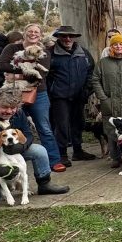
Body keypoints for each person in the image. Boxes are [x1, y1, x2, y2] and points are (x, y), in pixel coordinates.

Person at [0, 87, 69, 209]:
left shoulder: (18, 114)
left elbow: (28, 133)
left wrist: (21, 146)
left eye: (13, 108)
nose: (10, 111)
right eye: (5, 107)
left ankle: (44, 183)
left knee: (39, 150)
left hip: (8, 154)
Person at [0, 24, 61, 169]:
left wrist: (16, 75)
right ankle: (14, 159)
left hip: (38, 93)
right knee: (13, 126)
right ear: (24, 33)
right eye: (30, 31)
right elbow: (0, 65)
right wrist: (25, 70)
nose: (33, 34)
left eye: (36, 32)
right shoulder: (12, 49)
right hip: (13, 92)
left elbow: (41, 76)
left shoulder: (43, 52)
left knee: (44, 127)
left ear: (40, 35)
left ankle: (54, 160)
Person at [46, 25, 96, 167]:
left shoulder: (84, 53)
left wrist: (87, 90)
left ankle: (78, 151)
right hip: (59, 96)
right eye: (63, 36)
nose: (67, 39)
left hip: (79, 95)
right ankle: (61, 154)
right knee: (61, 125)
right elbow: (45, 76)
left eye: (70, 36)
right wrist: (52, 91)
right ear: (58, 37)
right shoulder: (50, 53)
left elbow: (91, 72)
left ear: (74, 37)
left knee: (78, 123)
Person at [90, 33, 122, 169]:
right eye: (115, 44)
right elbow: (95, 79)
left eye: (121, 44)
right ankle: (116, 157)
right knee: (111, 131)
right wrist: (103, 97)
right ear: (111, 47)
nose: (118, 46)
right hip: (110, 102)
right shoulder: (103, 63)